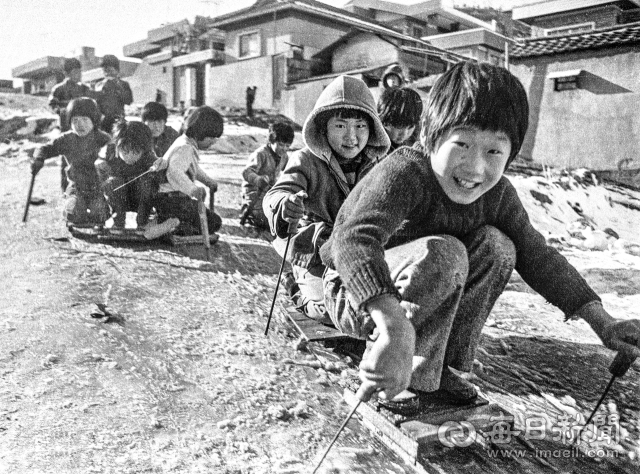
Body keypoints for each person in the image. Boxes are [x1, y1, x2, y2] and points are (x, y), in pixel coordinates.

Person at [319, 61, 640, 413]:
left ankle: (438, 368)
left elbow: (540, 257)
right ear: (431, 137)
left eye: (493, 152)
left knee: (499, 247)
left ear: (511, 155)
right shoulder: (405, 171)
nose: (475, 168)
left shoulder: (499, 195)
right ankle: (400, 368)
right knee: (446, 254)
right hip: (353, 294)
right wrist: (392, 324)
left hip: (414, 292)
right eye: (462, 144)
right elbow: (352, 240)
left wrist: (603, 322)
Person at [263, 75, 390, 322]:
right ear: (323, 127)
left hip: (358, 252)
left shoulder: (379, 165)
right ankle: (295, 287)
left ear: (372, 128)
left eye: (360, 126)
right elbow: (277, 192)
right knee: (329, 311)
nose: (351, 137)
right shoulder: (305, 160)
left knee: (378, 303)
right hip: (315, 252)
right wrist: (284, 205)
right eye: (341, 126)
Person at [31, 97, 110, 227]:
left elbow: (116, 156)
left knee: (99, 214)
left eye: (85, 120)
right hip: (76, 186)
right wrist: (38, 158)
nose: (80, 125)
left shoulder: (103, 139)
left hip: (98, 187)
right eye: (75, 120)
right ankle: (73, 211)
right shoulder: (67, 139)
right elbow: (45, 148)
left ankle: (99, 213)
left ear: (94, 121)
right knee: (75, 214)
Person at [153, 106, 223, 236]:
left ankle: (175, 223)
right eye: (211, 138)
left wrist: (208, 181)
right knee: (214, 222)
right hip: (172, 201)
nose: (213, 142)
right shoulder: (185, 148)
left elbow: (192, 168)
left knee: (209, 219)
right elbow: (174, 172)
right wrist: (193, 189)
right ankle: (176, 226)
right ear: (201, 132)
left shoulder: (185, 143)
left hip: (171, 199)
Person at [97, 120, 158, 232]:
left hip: (139, 199)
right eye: (125, 152)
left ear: (144, 150)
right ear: (117, 146)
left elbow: (158, 168)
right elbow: (98, 165)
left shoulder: (149, 156)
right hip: (117, 198)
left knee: (147, 182)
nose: (129, 157)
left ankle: (143, 222)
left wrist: (159, 167)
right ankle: (118, 221)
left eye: (135, 153)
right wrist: (100, 166)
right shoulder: (109, 151)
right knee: (113, 182)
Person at [48, 58, 93, 191]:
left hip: (85, 130)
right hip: (67, 129)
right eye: (75, 72)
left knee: (85, 157)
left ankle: (85, 187)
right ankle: (66, 189)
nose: (78, 74)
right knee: (67, 159)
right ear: (67, 73)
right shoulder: (59, 89)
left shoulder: (85, 88)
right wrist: (64, 111)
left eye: (80, 71)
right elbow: (53, 105)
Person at [240, 122, 294, 229]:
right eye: (281, 144)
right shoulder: (260, 154)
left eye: (287, 146)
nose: (284, 148)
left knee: (283, 215)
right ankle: (249, 212)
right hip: (254, 192)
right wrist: (258, 179)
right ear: (271, 141)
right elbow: (246, 172)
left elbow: (289, 171)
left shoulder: (284, 156)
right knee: (264, 220)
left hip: (269, 192)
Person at [94, 54, 133, 134]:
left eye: (110, 70)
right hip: (103, 121)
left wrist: (117, 87)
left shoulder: (124, 84)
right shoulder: (98, 85)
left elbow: (129, 101)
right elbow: (95, 104)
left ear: (117, 70)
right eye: (105, 71)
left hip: (118, 120)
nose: (107, 73)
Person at [377, 86, 423, 153]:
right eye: (399, 127)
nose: (404, 134)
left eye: (410, 127)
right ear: (383, 121)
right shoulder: (372, 146)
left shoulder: (418, 138)